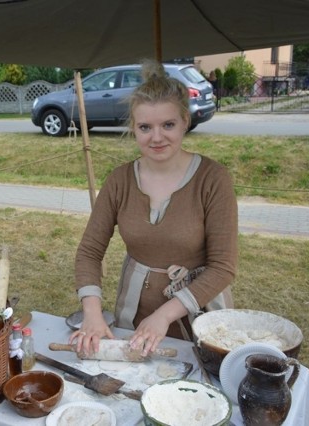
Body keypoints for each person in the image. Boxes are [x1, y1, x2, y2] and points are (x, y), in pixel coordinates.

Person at [70, 60, 237, 358]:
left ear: (185, 120)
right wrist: (92, 313)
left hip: (200, 312)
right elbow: (89, 252)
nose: (156, 137)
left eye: (168, 125)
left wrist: (164, 315)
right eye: (145, 127)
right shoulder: (120, 180)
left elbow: (223, 267)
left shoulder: (213, 179)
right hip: (133, 315)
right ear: (133, 128)